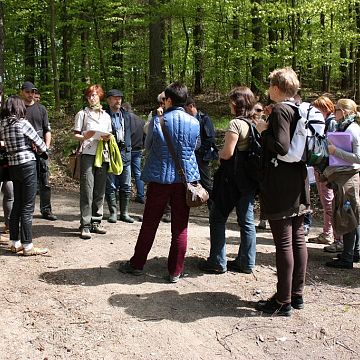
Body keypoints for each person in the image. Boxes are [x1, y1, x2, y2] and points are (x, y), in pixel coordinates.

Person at [120, 81, 200, 283]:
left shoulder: (159, 121)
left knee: (149, 223)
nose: (162, 102)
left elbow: (148, 147)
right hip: (185, 181)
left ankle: (137, 264)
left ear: (170, 100)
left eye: (164, 99)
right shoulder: (194, 122)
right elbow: (194, 147)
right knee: (180, 227)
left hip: (159, 179)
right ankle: (175, 271)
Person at [254, 67, 310, 316]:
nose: (268, 90)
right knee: (298, 238)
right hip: (298, 179)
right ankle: (296, 295)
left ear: (276, 88)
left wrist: (263, 130)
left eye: (269, 86)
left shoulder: (280, 109)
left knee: (284, 242)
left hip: (281, 183)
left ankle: (282, 301)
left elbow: (281, 146)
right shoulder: (297, 107)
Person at [198, 86, 257, 275]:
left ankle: (217, 261)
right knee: (246, 221)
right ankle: (247, 262)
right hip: (249, 179)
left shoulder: (236, 124)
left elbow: (227, 153)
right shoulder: (256, 123)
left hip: (231, 180)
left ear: (235, 103)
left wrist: (218, 155)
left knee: (217, 217)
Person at [0, 96, 48, 255]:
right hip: (27, 165)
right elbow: (41, 145)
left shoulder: (3, 125)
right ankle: (28, 246)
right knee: (27, 207)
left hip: (13, 166)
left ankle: (15, 242)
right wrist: (37, 146)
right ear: (18, 107)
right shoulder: (23, 123)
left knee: (17, 205)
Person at [324, 99, 360, 269]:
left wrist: (335, 151)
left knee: (348, 215)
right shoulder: (345, 127)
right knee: (351, 214)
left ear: (345, 112)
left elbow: (358, 158)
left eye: (336, 109)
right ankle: (353, 253)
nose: (334, 112)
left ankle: (347, 258)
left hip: (349, 178)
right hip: (343, 177)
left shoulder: (353, 129)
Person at [74, 84, 112, 239]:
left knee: (100, 189)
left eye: (94, 95)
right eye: (89, 96)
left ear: (100, 96)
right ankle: (85, 224)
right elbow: (76, 135)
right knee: (87, 189)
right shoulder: (82, 114)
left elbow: (110, 134)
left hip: (103, 154)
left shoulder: (106, 116)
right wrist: (85, 136)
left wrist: (107, 137)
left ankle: (96, 221)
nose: (92, 98)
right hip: (88, 154)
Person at [20, 81, 57, 221]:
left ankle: (46, 210)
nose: (31, 95)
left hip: (41, 150)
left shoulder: (41, 109)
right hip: (24, 150)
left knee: (45, 181)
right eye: (28, 92)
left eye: (33, 92)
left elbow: (47, 130)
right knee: (26, 182)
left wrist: (46, 147)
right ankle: (25, 211)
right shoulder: (19, 109)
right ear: (22, 92)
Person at [308, 96, 339, 248]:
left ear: (325, 108)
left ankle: (332, 236)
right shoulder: (324, 122)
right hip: (321, 168)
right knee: (326, 202)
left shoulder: (331, 123)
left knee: (329, 203)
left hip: (327, 169)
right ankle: (328, 233)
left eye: (318, 109)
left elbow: (331, 147)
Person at [104, 89, 135, 223]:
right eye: (115, 98)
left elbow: (131, 133)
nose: (118, 100)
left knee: (126, 184)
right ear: (108, 100)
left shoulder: (127, 115)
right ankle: (113, 212)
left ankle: (125, 213)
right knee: (110, 184)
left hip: (125, 153)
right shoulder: (104, 115)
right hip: (110, 152)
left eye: (120, 98)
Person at [184, 97, 218, 209]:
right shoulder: (187, 120)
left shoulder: (204, 119)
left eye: (185, 109)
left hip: (202, 156)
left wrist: (200, 152)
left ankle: (213, 207)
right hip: (190, 156)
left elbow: (210, 139)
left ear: (191, 106)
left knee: (206, 182)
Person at [123, 102, 145, 205]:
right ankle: (141, 195)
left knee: (123, 172)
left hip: (126, 149)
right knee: (138, 173)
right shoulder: (141, 121)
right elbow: (145, 135)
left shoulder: (124, 119)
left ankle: (124, 194)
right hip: (138, 149)